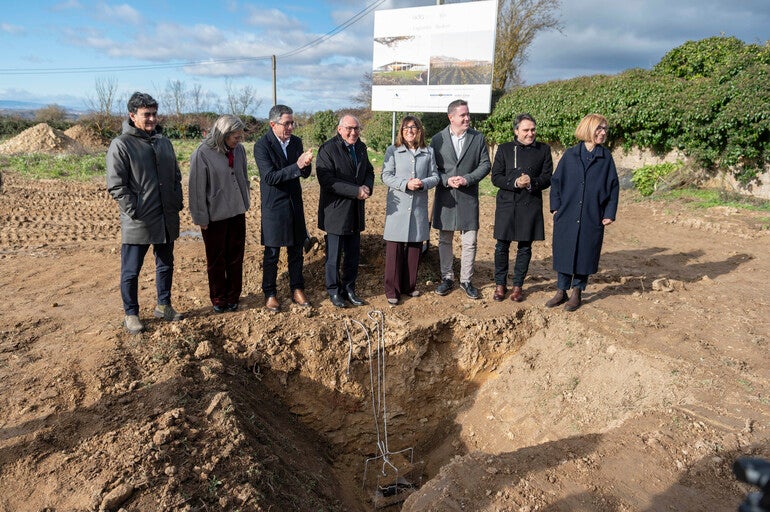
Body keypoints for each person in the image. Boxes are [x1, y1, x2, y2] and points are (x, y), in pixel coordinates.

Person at [106, 92, 184, 334]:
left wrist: (175, 202)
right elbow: (117, 185)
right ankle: (131, 314)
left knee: (165, 265)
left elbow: (176, 177)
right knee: (131, 271)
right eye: (146, 114)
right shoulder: (121, 144)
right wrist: (135, 210)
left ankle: (164, 306)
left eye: (154, 114)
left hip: (165, 216)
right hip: (138, 220)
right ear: (132, 115)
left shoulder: (164, 142)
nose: (151, 119)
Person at [547, 113, 619, 311]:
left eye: (605, 129)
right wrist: (556, 207)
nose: (603, 132)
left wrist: (609, 213)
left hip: (591, 213)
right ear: (588, 129)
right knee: (564, 251)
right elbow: (556, 182)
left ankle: (577, 292)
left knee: (585, 253)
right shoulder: (570, 155)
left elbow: (613, 187)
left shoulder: (606, 158)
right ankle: (561, 291)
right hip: (567, 212)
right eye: (599, 128)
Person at [253, 104, 314, 312]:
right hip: (274, 207)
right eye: (286, 123)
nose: (290, 127)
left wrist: (306, 164)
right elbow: (269, 177)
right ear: (273, 124)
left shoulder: (296, 142)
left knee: (296, 250)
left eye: (292, 123)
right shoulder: (262, 145)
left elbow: (304, 174)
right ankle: (270, 293)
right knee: (272, 253)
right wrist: (297, 166)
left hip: (294, 204)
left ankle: (297, 289)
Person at [188, 115, 250, 313]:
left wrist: (245, 201)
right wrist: (200, 218)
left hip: (237, 212)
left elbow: (243, 176)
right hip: (215, 216)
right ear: (222, 134)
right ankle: (218, 298)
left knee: (235, 257)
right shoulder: (202, 153)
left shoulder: (239, 150)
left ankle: (233, 297)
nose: (238, 140)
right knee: (216, 260)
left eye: (240, 136)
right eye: (235, 136)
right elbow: (196, 190)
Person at [431, 99, 491, 299]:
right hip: (445, 197)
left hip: (468, 196)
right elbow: (432, 170)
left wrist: (467, 179)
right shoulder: (437, 139)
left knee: (470, 242)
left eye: (468, 114)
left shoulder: (478, 138)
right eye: (463, 115)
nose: (467, 118)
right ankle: (447, 278)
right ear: (451, 117)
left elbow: (485, 164)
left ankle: (466, 280)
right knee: (444, 240)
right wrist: (447, 180)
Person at [491, 113, 553, 302]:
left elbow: (548, 177)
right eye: (526, 130)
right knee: (502, 246)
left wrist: (531, 182)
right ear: (516, 130)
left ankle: (518, 286)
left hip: (530, 204)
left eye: (533, 129)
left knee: (525, 247)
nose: (530, 133)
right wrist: (515, 182)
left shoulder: (544, 150)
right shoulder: (504, 149)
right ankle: (500, 284)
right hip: (507, 204)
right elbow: (496, 177)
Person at [315, 114, 375, 308]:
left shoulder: (361, 147)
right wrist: (355, 191)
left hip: (355, 210)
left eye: (356, 128)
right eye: (349, 128)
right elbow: (326, 180)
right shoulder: (328, 149)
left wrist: (367, 187)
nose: (353, 132)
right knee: (333, 256)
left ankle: (349, 288)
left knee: (352, 254)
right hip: (336, 212)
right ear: (339, 129)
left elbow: (369, 171)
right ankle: (333, 291)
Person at [381, 116, 440, 305]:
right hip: (398, 207)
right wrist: (405, 184)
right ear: (401, 130)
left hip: (417, 207)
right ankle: (392, 289)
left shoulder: (428, 152)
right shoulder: (393, 151)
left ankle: (409, 286)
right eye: (406, 127)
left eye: (413, 127)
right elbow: (386, 176)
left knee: (414, 248)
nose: (410, 130)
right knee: (395, 250)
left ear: (419, 130)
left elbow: (435, 176)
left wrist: (423, 183)